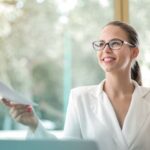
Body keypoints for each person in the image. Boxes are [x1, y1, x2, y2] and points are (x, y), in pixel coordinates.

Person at [2, 20, 150, 150]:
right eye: (101, 44)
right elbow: (67, 149)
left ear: (134, 52)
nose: (106, 49)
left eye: (115, 43)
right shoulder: (80, 98)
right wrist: (34, 124)